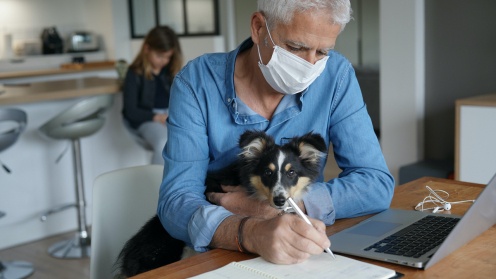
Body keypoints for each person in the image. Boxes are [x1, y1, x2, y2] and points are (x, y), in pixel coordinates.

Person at [157, 0, 395, 265]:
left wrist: (282, 204)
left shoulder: (336, 75)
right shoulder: (196, 83)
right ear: (259, 28)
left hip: (298, 245)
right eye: (295, 47)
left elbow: (376, 183)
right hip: (217, 253)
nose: (310, 65)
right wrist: (249, 231)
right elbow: (175, 202)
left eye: (323, 52)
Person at [122, 26, 183, 164]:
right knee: (163, 142)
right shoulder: (134, 74)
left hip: (169, 117)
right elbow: (130, 111)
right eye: (159, 56)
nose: (163, 61)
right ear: (146, 49)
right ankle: (156, 184)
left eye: (167, 57)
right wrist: (156, 117)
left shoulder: (170, 73)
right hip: (147, 120)